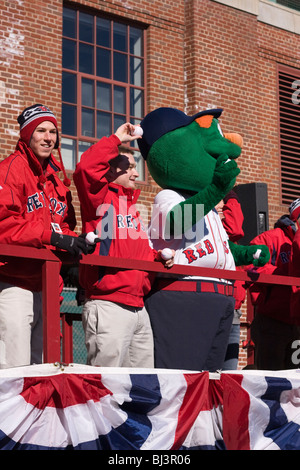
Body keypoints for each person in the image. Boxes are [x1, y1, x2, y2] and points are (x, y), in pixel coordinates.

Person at [0, 104, 93, 369]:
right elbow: (4, 225)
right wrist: (51, 238)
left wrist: (75, 243)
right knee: (13, 370)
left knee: (44, 368)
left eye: (53, 131)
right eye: (40, 130)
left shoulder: (57, 181)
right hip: (13, 283)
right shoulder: (9, 170)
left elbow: (64, 226)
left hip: (49, 286)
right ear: (27, 134)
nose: (48, 137)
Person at [73, 123, 173, 368]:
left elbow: (134, 251)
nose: (136, 174)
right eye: (129, 167)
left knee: (143, 389)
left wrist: (157, 258)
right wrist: (116, 139)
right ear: (110, 169)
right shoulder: (99, 199)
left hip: (139, 307)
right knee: (106, 389)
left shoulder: (131, 207)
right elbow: (85, 168)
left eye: (135, 167)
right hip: (108, 304)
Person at [249, 200, 300, 370]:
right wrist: (286, 273)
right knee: (271, 378)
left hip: (296, 321)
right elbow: (252, 265)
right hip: (272, 320)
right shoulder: (270, 238)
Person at [216, 190, 246, 370]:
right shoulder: (206, 224)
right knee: (210, 370)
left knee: (230, 371)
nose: (222, 207)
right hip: (213, 303)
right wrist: (231, 196)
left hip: (234, 306)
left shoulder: (229, 240)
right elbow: (235, 228)